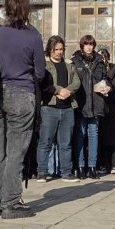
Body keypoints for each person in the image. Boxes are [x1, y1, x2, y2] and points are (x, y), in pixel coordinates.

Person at [0, 0, 45, 218]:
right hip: (22, 94)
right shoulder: (33, 36)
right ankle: (11, 203)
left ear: (6, 8)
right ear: (26, 9)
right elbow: (39, 73)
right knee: (15, 152)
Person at [38, 35, 80, 181]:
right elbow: (44, 82)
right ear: (50, 49)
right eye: (56, 49)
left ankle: (66, 173)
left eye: (61, 49)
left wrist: (68, 91)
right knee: (45, 141)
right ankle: (42, 172)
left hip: (68, 108)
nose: (59, 52)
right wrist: (58, 90)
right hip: (50, 107)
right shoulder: (44, 65)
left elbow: (77, 82)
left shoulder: (69, 64)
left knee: (65, 143)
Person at [71, 35, 106, 179]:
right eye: (86, 44)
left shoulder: (99, 61)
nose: (89, 47)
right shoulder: (75, 61)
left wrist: (105, 87)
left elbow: (103, 79)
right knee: (80, 135)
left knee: (94, 134)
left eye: (91, 44)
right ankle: (79, 166)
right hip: (81, 103)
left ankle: (92, 167)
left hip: (96, 103)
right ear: (82, 46)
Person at [97, 48, 115, 175]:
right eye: (99, 56)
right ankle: (102, 164)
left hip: (109, 108)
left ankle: (113, 164)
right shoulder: (95, 70)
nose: (102, 58)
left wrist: (110, 93)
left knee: (111, 137)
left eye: (104, 56)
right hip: (97, 107)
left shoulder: (113, 72)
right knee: (98, 137)